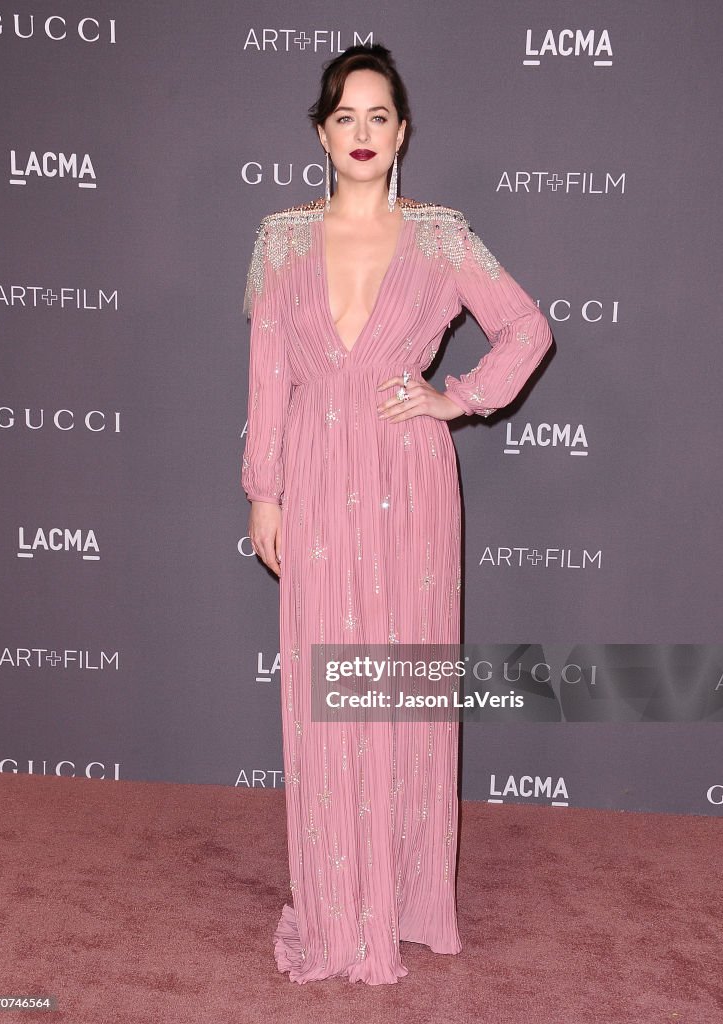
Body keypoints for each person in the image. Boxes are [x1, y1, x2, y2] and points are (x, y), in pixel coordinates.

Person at [241, 43, 553, 985]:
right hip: (316, 478)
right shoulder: (280, 238)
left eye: (379, 117)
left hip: (408, 481)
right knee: (327, 697)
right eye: (345, 117)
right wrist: (264, 489)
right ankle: (340, 906)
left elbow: (527, 327)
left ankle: (408, 897)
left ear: (403, 131)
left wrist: (455, 398)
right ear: (320, 132)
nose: (362, 134)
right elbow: (268, 377)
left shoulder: (442, 235)